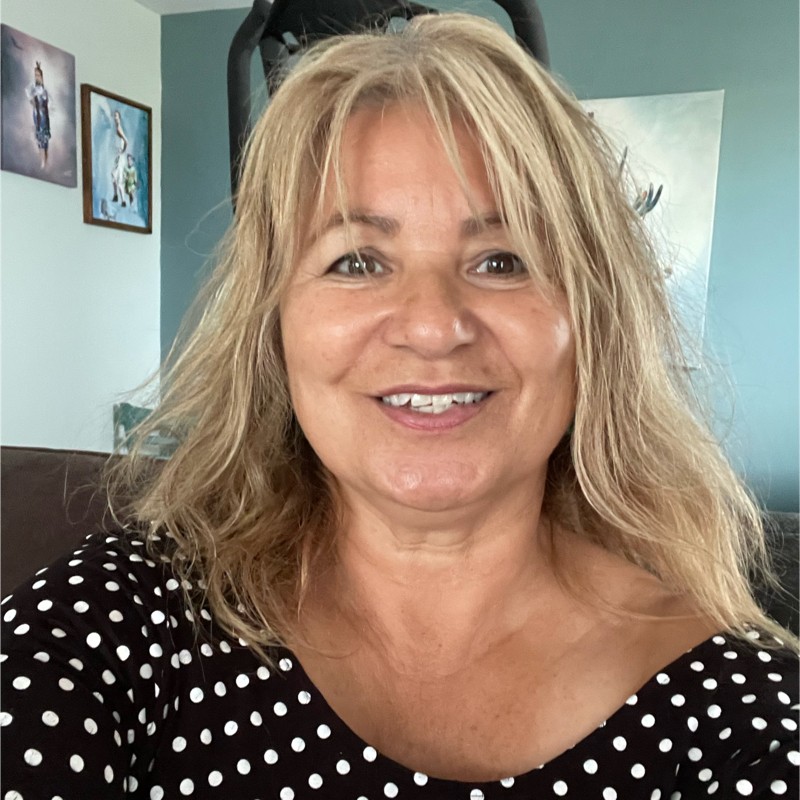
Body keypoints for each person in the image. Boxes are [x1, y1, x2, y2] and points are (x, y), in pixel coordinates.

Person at [1, 13, 797, 799]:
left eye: (502, 259)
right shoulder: (108, 626)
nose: (432, 325)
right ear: (273, 326)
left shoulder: (745, 720)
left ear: (592, 323)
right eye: (357, 261)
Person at [26, 61, 51, 169]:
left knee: (44, 137)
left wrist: (45, 106)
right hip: (37, 114)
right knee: (39, 136)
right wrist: (32, 101)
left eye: (38, 75)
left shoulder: (44, 89)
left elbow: (49, 101)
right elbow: (28, 93)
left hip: (44, 115)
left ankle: (45, 160)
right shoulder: (33, 88)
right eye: (35, 75)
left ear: (41, 76)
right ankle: (42, 160)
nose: (37, 77)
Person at [111, 109, 128, 204]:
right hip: (117, 156)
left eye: (116, 116)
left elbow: (126, 141)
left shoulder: (118, 129)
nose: (115, 118)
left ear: (119, 118)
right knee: (114, 176)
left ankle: (122, 200)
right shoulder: (116, 128)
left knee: (118, 178)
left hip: (119, 157)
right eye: (114, 116)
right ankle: (116, 196)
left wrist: (123, 150)